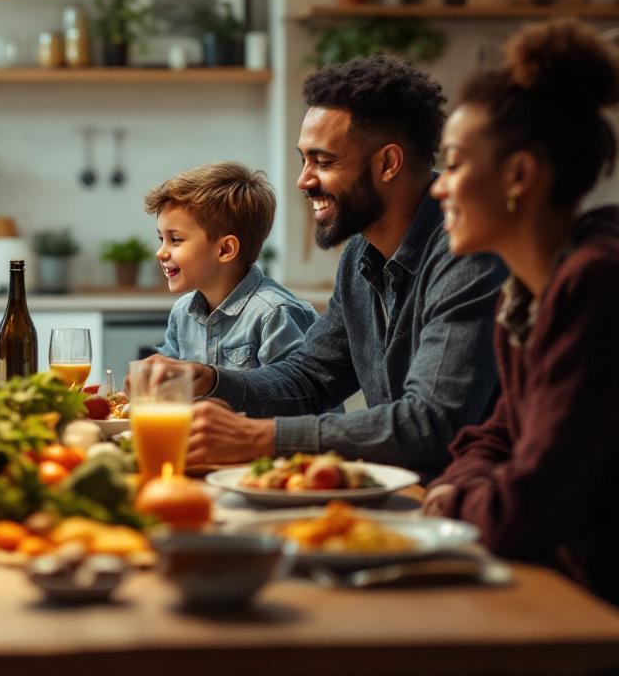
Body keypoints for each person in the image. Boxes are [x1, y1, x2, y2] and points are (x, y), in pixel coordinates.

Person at [146, 56, 507, 480]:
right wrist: (209, 379)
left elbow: (428, 424)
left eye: (324, 161)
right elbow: (310, 379)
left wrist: (261, 438)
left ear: (387, 164)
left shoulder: (466, 255)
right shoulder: (359, 257)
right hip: (408, 494)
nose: (303, 180)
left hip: (471, 506)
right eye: (304, 160)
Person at [422, 20, 619, 605]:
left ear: (519, 175)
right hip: (559, 588)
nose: (440, 188)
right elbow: (491, 438)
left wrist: (457, 500)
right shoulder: (526, 294)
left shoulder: (595, 283)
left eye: (454, 165)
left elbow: (531, 504)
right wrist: (472, 486)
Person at [142, 161, 318, 370]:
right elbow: (169, 385)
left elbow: (297, 394)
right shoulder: (183, 312)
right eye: (161, 238)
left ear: (225, 250)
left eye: (176, 240)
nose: (161, 252)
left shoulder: (275, 314)